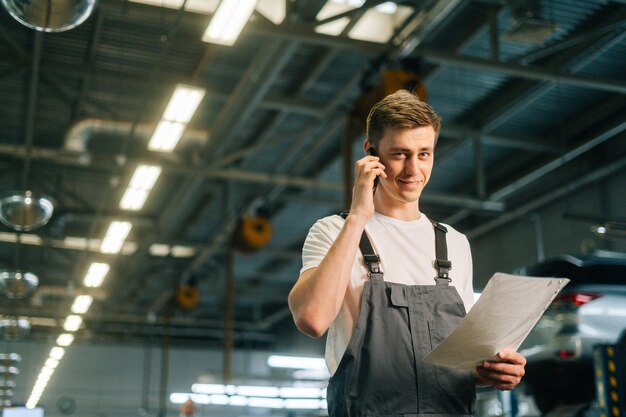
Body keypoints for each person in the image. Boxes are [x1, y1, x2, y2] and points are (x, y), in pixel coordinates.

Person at [288, 89, 526, 416]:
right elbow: (311, 319)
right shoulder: (333, 232)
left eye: (424, 153)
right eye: (400, 154)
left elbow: (456, 361)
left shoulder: (454, 243)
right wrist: (358, 216)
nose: (414, 170)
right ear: (371, 153)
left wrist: (490, 372)